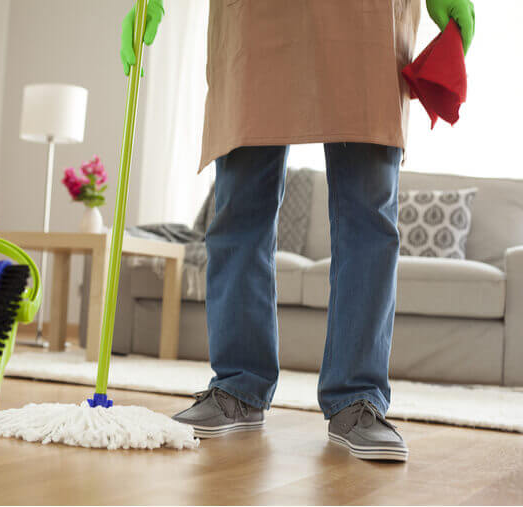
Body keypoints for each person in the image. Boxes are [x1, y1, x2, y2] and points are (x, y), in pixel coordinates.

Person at [120, 0, 475, 461]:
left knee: (368, 214)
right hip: (254, 16)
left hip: (363, 17)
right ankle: (238, 387)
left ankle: (358, 397)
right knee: (239, 209)